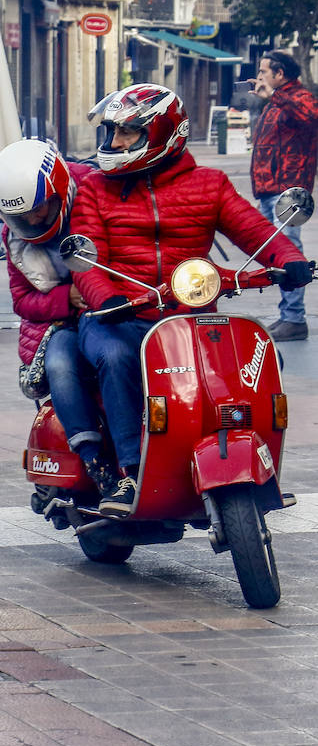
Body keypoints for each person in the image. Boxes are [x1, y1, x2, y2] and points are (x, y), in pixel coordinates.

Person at [72, 83, 309, 516]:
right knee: (117, 357)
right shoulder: (94, 189)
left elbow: (254, 229)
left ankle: (254, 461)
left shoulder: (210, 184)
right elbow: (87, 259)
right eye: (112, 132)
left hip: (190, 316)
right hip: (120, 315)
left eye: (128, 132)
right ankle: (129, 474)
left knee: (257, 360)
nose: (115, 142)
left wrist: (290, 258)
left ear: (164, 134)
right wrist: (105, 298)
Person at [0, 138, 117, 498]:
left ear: (58, 190)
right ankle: (92, 459)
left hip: (112, 306)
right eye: (21, 216)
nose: (32, 220)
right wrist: (66, 298)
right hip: (57, 326)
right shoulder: (14, 236)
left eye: (40, 210)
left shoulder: (94, 191)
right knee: (61, 364)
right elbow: (22, 300)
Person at [249, 49, 318, 341]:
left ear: (280, 74)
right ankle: (287, 315)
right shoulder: (276, 102)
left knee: (288, 253)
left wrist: (271, 97)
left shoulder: (300, 97)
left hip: (287, 191)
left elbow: (308, 116)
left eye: (264, 71)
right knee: (275, 255)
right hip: (270, 189)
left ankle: (294, 318)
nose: (260, 76)